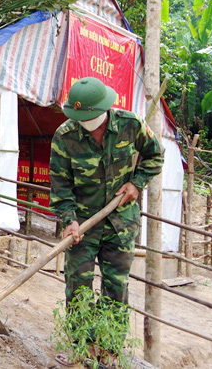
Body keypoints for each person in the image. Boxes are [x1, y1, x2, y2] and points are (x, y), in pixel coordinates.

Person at [49, 77, 163, 361]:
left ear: (103, 109)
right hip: (83, 227)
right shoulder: (64, 137)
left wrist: (137, 183)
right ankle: (82, 350)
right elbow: (61, 186)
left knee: (116, 287)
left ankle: (109, 351)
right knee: (78, 287)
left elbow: (155, 156)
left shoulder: (131, 124)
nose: (84, 121)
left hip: (121, 224)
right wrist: (68, 220)